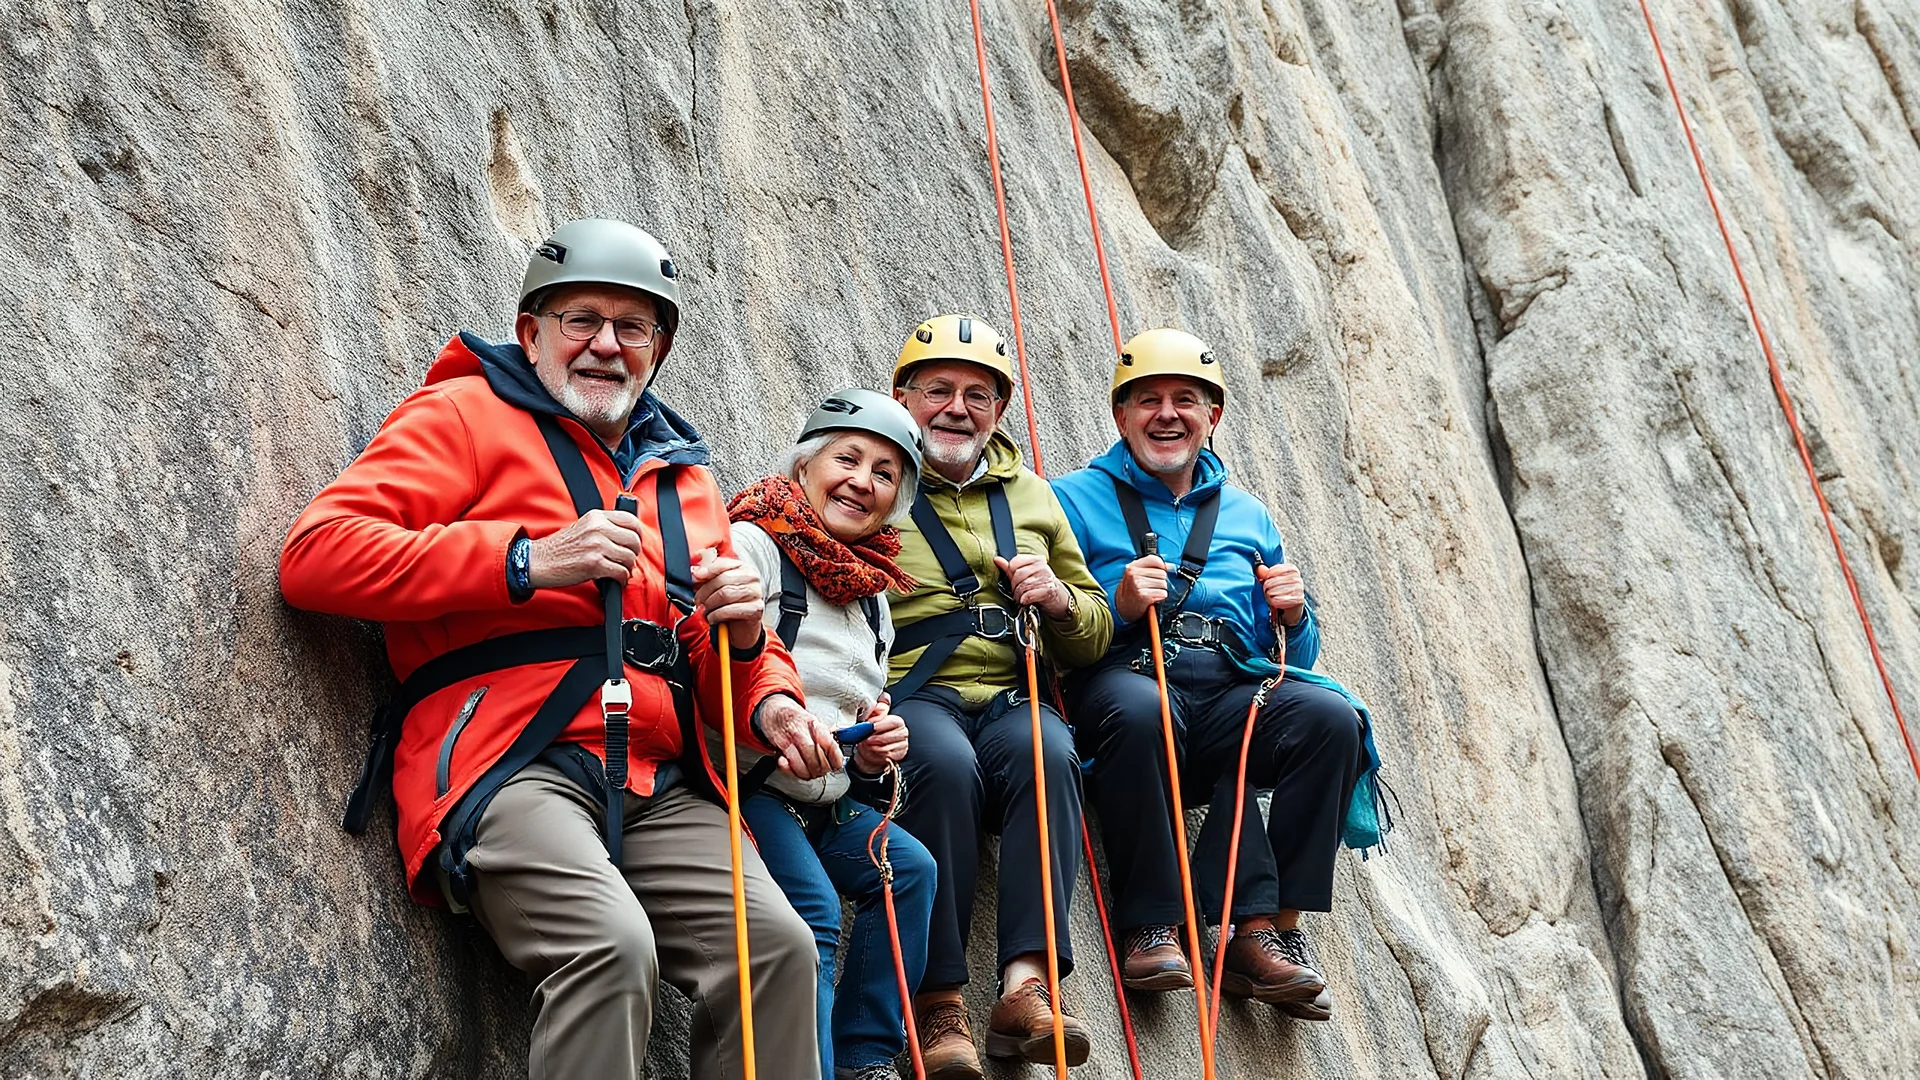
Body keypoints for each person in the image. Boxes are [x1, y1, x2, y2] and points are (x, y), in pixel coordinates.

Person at [279, 219, 841, 1079]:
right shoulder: (466, 414)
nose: (605, 346)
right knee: (610, 949)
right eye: (581, 320)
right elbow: (317, 554)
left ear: (660, 348)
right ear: (531, 332)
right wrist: (527, 560)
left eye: (633, 327)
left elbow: (707, 651)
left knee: (778, 949)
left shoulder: (683, 478)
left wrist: (758, 668)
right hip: (510, 754)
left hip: (657, 777)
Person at [1051, 327, 1367, 1022]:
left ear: (1213, 416)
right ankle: (1152, 925)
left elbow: (1290, 659)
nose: (1167, 413)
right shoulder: (1070, 499)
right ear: (1121, 416)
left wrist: (1294, 615)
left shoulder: (1248, 515)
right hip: (1124, 680)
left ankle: (1269, 930)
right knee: (1143, 709)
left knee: (1327, 718)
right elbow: (1053, 625)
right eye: (1148, 400)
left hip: (1225, 688)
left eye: (1185, 400)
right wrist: (1121, 605)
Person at [883, 314, 1114, 1076]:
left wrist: (1059, 601)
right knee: (940, 765)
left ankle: (1026, 987)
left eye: (977, 394)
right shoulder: (877, 476)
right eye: (938, 390)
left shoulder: (1034, 497)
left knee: (1049, 752)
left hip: (1013, 689)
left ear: (999, 410)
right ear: (903, 397)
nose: (956, 408)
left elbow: (1095, 633)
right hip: (916, 687)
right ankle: (939, 997)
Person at [724, 388, 939, 1080]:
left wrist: (875, 750)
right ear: (807, 464)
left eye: (884, 474)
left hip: (827, 798)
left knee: (909, 870)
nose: (862, 482)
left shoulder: (873, 594)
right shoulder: (754, 543)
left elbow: (858, 702)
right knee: (813, 911)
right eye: (848, 459)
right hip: (750, 784)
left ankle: (865, 1056)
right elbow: (709, 656)